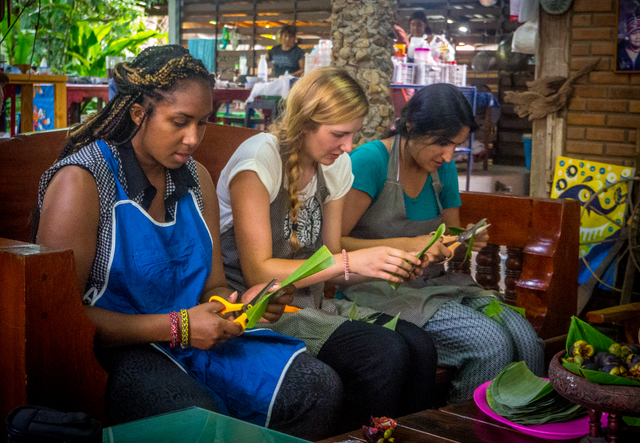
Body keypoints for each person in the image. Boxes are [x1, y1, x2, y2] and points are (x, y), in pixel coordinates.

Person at [33, 45, 345, 441]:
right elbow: (60, 319)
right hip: (115, 349)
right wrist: (178, 326)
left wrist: (239, 303)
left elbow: (212, 286)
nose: (194, 138)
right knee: (200, 417)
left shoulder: (196, 179)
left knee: (318, 387)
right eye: (180, 122)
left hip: (187, 338)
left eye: (202, 123)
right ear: (137, 114)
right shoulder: (83, 181)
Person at [217, 66, 439, 432]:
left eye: (353, 133)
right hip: (259, 309)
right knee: (383, 353)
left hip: (311, 303)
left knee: (419, 346)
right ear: (305, 124)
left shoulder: (335, 166)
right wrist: (351, 262)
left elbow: (332, 256)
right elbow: (259, 271)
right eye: (339, 134)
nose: (349, 146)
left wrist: (385, 263)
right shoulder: (259, 160)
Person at [340, 84, 545, 403]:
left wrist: (465, 241)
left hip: (433, 286)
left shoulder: (442, 168)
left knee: (526, 339)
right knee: (489, 342)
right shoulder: (370, 161)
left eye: (457, 145)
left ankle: (519, 429)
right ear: (410, 126)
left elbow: (451, 237)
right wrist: (411, 244)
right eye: (442, 142)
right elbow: (332, 246)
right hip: (372, 290)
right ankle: (460, 431)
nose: (449, 156)